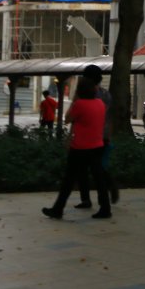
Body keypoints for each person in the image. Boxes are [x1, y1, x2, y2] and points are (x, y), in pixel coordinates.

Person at [42, 76, 111, 220]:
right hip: (97, 145)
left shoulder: (79, 104)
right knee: (99, 178)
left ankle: (58, 209)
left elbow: (67, 119)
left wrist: (75, 101)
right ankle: (105, 208)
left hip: (79, 147)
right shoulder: (100, 104)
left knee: (68, 179)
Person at [76, 65, 119, 208]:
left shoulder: (86, 94)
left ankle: (86, 199)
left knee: (82, 169)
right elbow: (110, 117)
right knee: (98, 168)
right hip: (104, 135)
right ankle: (107, 189)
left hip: (88, 137)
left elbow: (76, 115)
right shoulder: (106, 94)